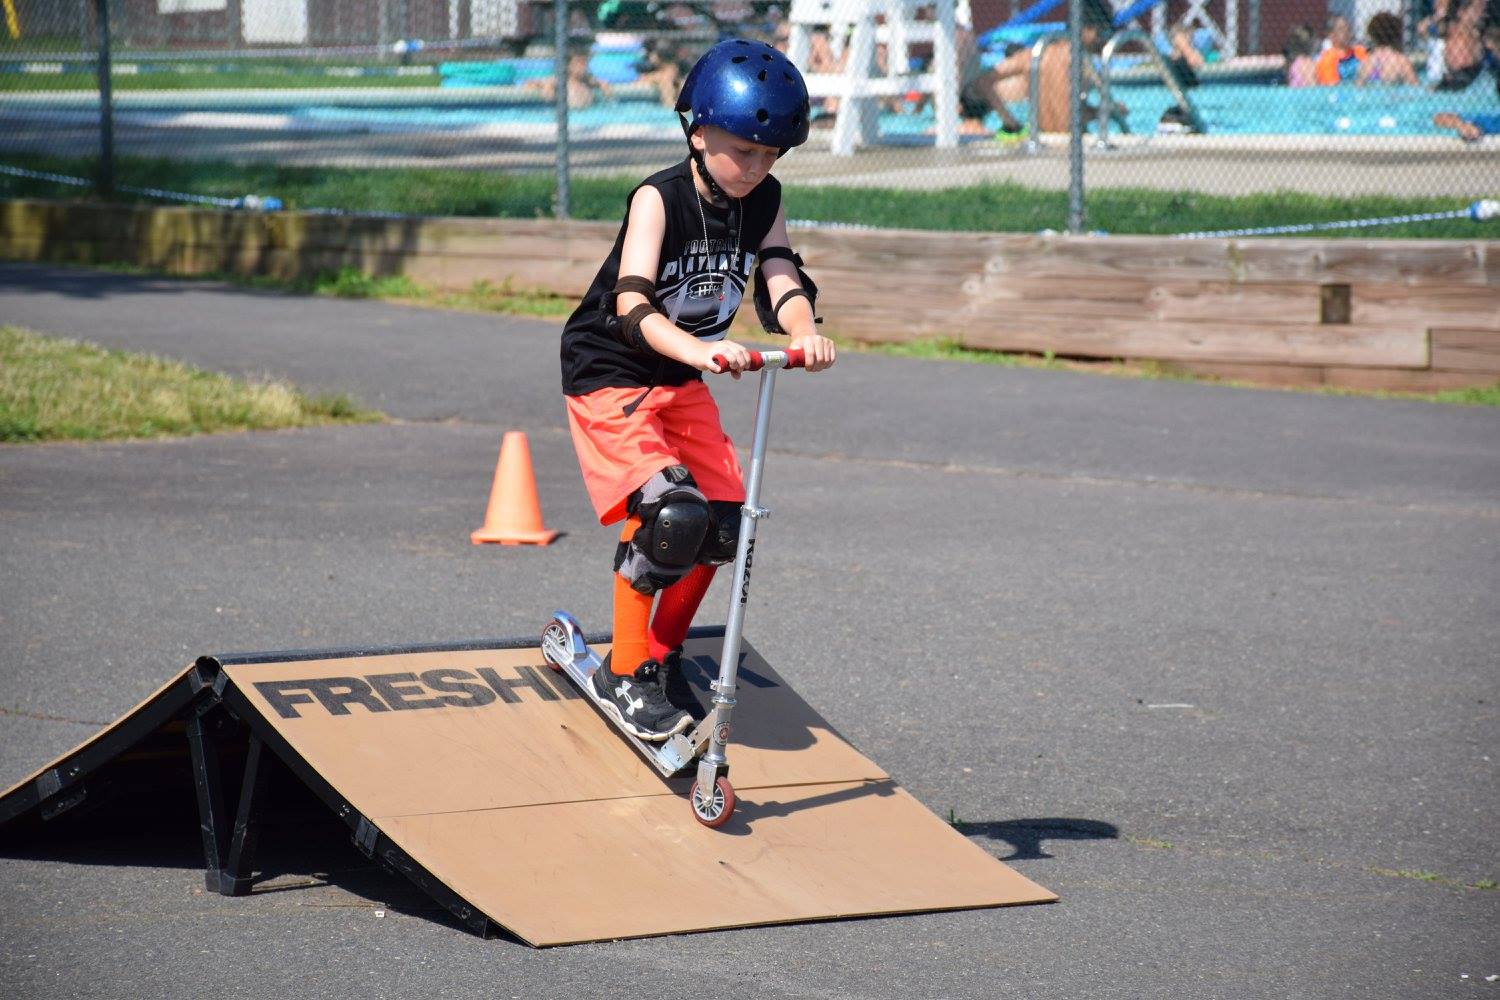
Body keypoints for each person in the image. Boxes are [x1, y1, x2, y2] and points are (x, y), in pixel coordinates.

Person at [559, 38, 836, 741]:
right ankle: (622, 671)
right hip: (613, 369)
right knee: (670, 515)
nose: (755, 168)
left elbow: (780, 276)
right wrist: (702, 350)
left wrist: (802, 329)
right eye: (743, 150)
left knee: (722, 524)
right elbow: (631, 305)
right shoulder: (659, 199)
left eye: (770, 155)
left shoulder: (763, 198)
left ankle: (659, 656)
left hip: (683, 375)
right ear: (698, 128)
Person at [528, 49, 612, 109]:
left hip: (588, 114)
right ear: (568, 66)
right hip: (569, 115)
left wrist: (604, 86)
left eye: (585, 63)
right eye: (579, 63)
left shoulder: (587, 80)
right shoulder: (561, 80)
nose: (583, 67)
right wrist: (546, 87)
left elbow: (603, 84)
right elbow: (530, 83)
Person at [1357, 12, 1419, 84]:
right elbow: (1415, 86)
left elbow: (1358, 86)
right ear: (1397, 34)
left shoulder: (1366, 62)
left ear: (1372, 36)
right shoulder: (1401, 61)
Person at [1315, 15, 1369, 84]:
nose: (1346, 32)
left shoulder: (1359, 51)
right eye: (1341, 29)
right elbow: (1333, 87)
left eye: (1347, 28)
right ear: (1331, 35)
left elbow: (1369, 73)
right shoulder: (1327, 59)